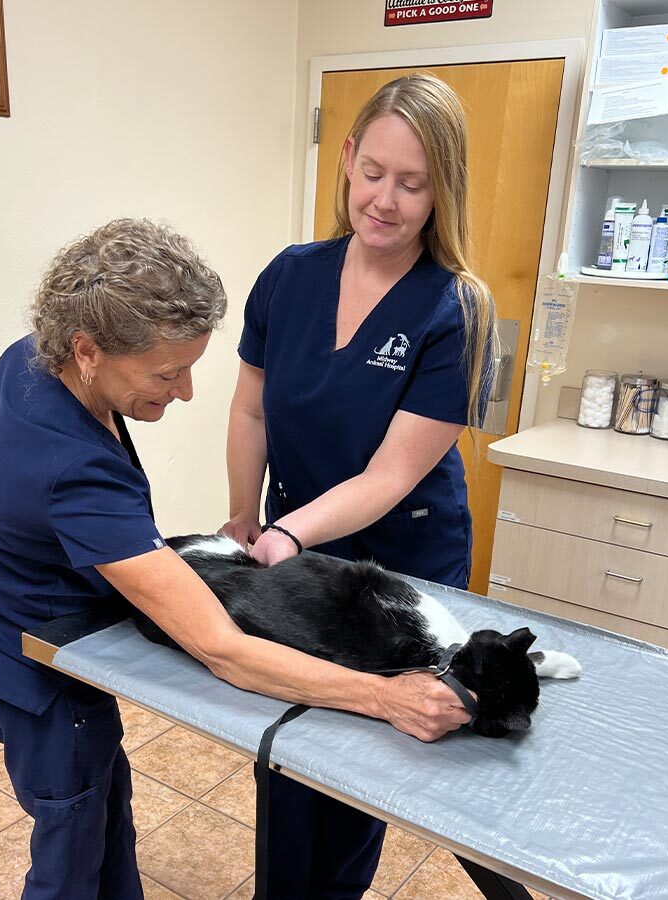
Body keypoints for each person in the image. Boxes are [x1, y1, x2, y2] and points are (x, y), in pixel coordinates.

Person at [0, 217, 473, 900]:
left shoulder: (34, 358)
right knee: (71, 838)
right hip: (38, 670)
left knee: (104, 811)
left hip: (2, 621)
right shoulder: (74, 473)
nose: (189, 392)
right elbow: (221, 649)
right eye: (168, 373)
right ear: (88, 350)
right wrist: (386, 696)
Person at [221, 73, 496, 898]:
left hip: (403, 563)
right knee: (289, 744)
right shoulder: (290, 275)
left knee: (361, 762)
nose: (385, 199)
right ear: (345, 159)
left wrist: (287, 532)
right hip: (295, 549)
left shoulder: (457, 307)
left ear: (442, 190)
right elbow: (250, 410)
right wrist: (242, 515)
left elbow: (390, 474)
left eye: (413, 184)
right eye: (373, 172)